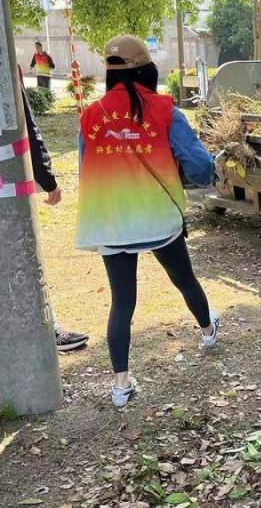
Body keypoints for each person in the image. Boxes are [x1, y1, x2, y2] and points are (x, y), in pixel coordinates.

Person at [76, 34, 219, 406]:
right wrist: (206, 176)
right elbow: (201, 165)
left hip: (113, 222)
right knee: (184, 278)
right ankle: (207, 331)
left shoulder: (89, 117)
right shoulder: (165, 110)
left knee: (122, 301)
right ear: (147, 70)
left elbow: (85, 171)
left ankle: (121, 385)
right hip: (158, 219)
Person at [16, 65, 89, 353]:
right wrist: (47, 179)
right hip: (5, 185)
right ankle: (48, 331)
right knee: (23, 256)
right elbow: (25, 125)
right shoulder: (1, 57)